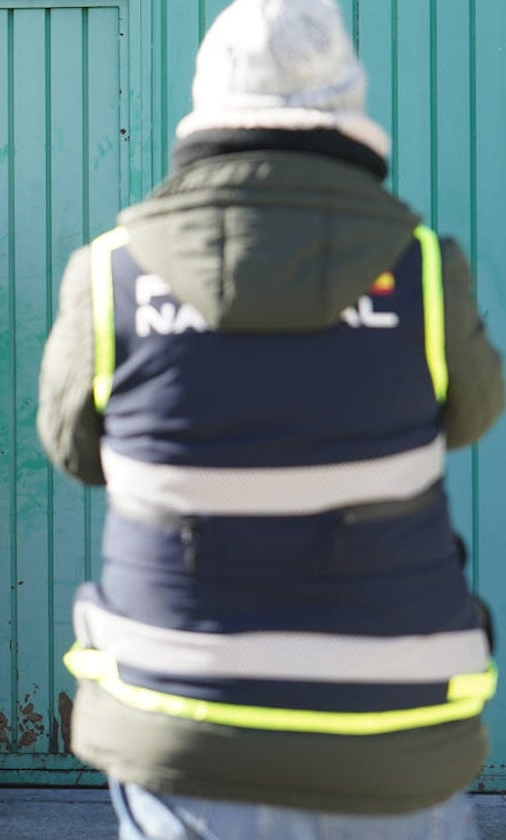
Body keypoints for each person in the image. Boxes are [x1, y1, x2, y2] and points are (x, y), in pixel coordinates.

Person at [37, 0, 504, 837]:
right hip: (393, 731)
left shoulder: (111, 273)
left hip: (180, 727)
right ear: (348, 106)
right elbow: (471, 416)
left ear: (207, 105)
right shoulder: (426, 269)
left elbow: (74, 449)